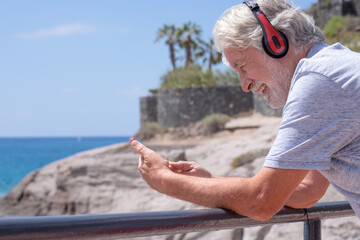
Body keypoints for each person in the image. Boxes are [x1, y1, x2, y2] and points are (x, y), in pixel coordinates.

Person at [131, 0, 360, 221]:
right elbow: (307, 191)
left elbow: (261, 202)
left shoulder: (320, 81)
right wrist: (211, 180)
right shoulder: (335, 69)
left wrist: (164, 180)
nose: (244, 85)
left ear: (276, 42)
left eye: (241, 65)